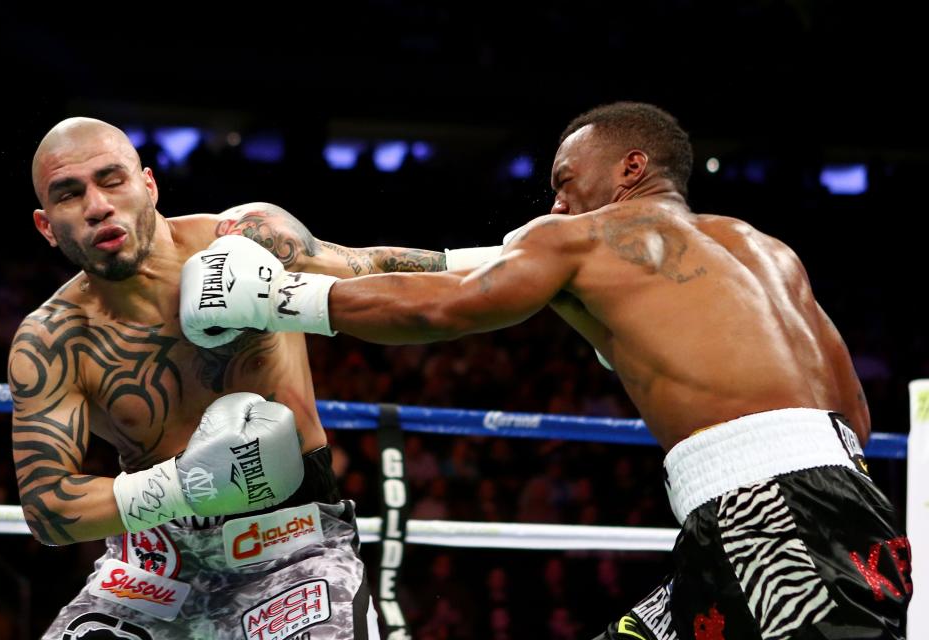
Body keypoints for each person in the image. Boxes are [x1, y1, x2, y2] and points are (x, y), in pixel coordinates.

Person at [182, 102, 913, 638]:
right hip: (813, 508)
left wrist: (281, 298)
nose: (557, 201)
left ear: (631, 167)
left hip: (771, 521)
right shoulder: (765, 249)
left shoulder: (586, 239)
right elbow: (855, 417)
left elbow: (445, 308)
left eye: (567, 179)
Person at [11, 117, 449, 639]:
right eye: (69, 193)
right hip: (151, 570)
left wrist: (526, 260)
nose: (97, 205)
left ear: (148, 185)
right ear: (46, 226)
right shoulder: (52, 340)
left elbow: (372, 268)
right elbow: (49, 507)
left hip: (292, 547)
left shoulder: (246, 240)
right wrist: (185, 487)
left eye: (112, 180)